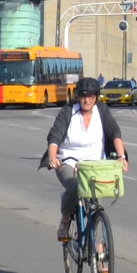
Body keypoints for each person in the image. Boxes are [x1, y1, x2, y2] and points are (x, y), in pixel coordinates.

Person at [42, 78, 127, 245]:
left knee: (96, 204)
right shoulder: (68, 111)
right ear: (77, 97)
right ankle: (66, 219)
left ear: (96, 97)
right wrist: (53, 157)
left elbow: (115, 132)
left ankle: (99, 250)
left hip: (95, 165)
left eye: (91, 97)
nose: (87, 100)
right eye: (83, 96)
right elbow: (55, 136)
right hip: (69, 161)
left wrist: (121, 157)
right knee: (75, 187)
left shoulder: (101, 110)